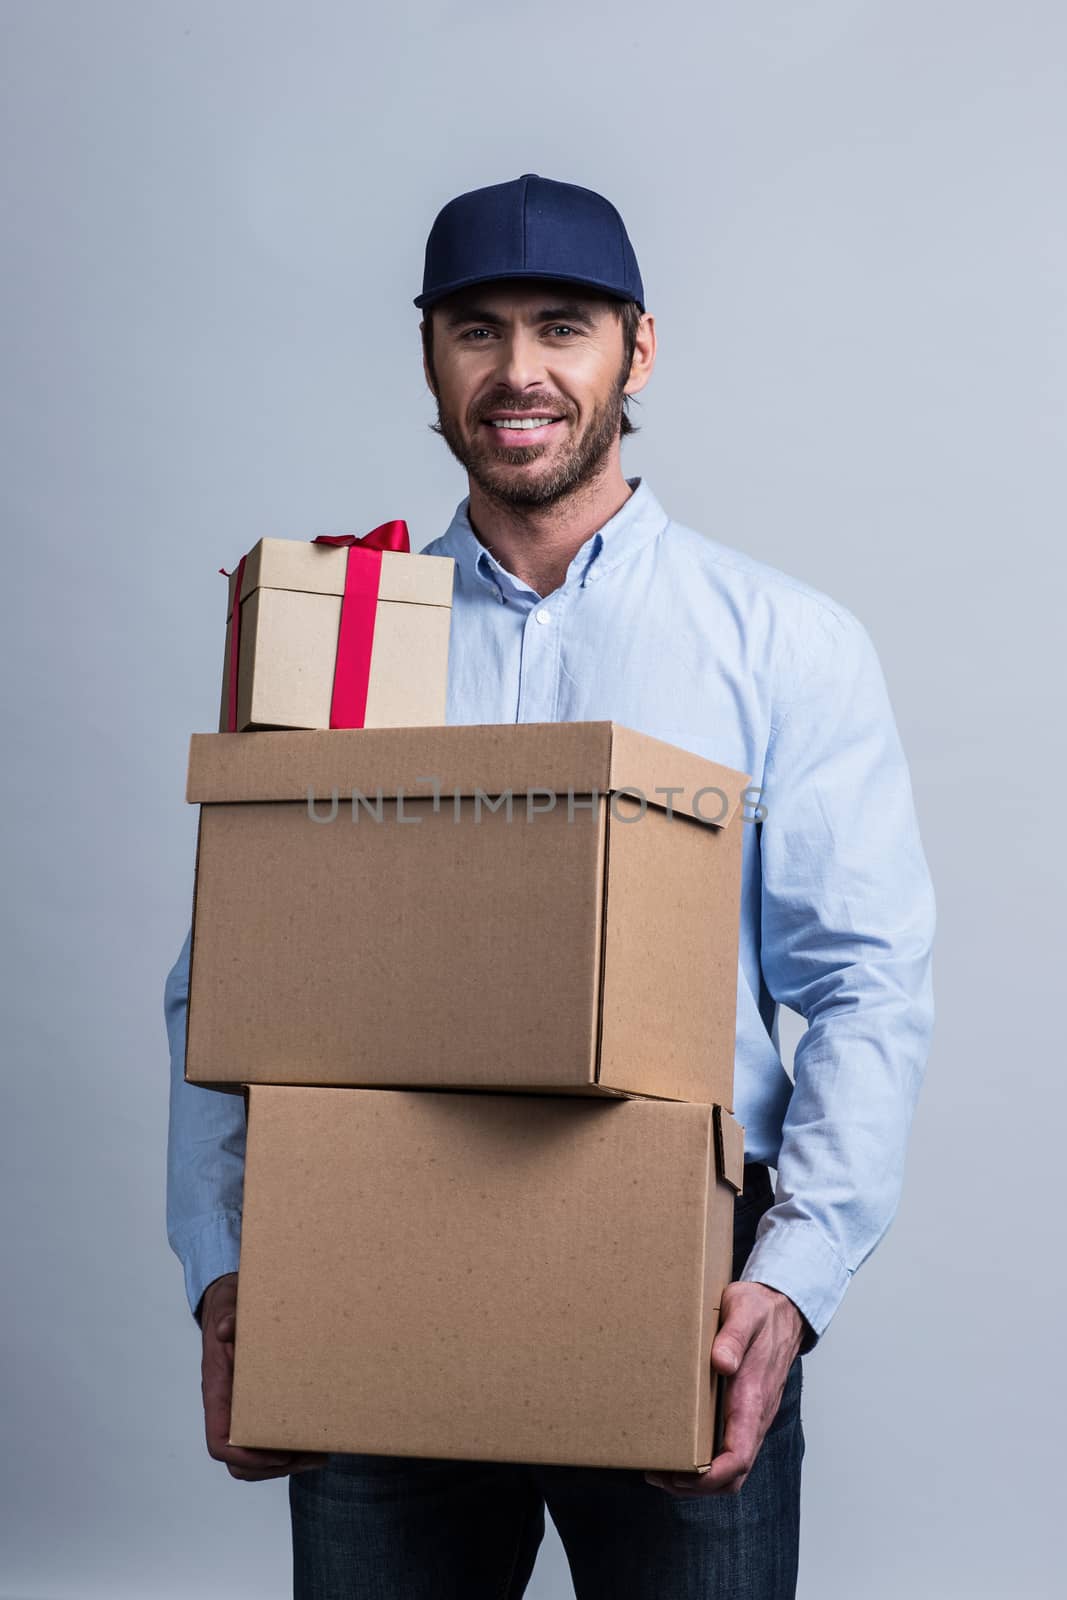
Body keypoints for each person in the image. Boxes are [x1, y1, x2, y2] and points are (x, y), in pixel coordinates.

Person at [165, 173, 936, 1598]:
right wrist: (225, 1264)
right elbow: (231, 976)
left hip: (677, 1287)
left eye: (561, 327)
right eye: (477, 330)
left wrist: (790, 1288)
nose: (519, 372)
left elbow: (863, 987)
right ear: (429, 358)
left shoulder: (781, 643)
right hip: (371, 1272)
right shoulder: (345, 634)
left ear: (637, 350)